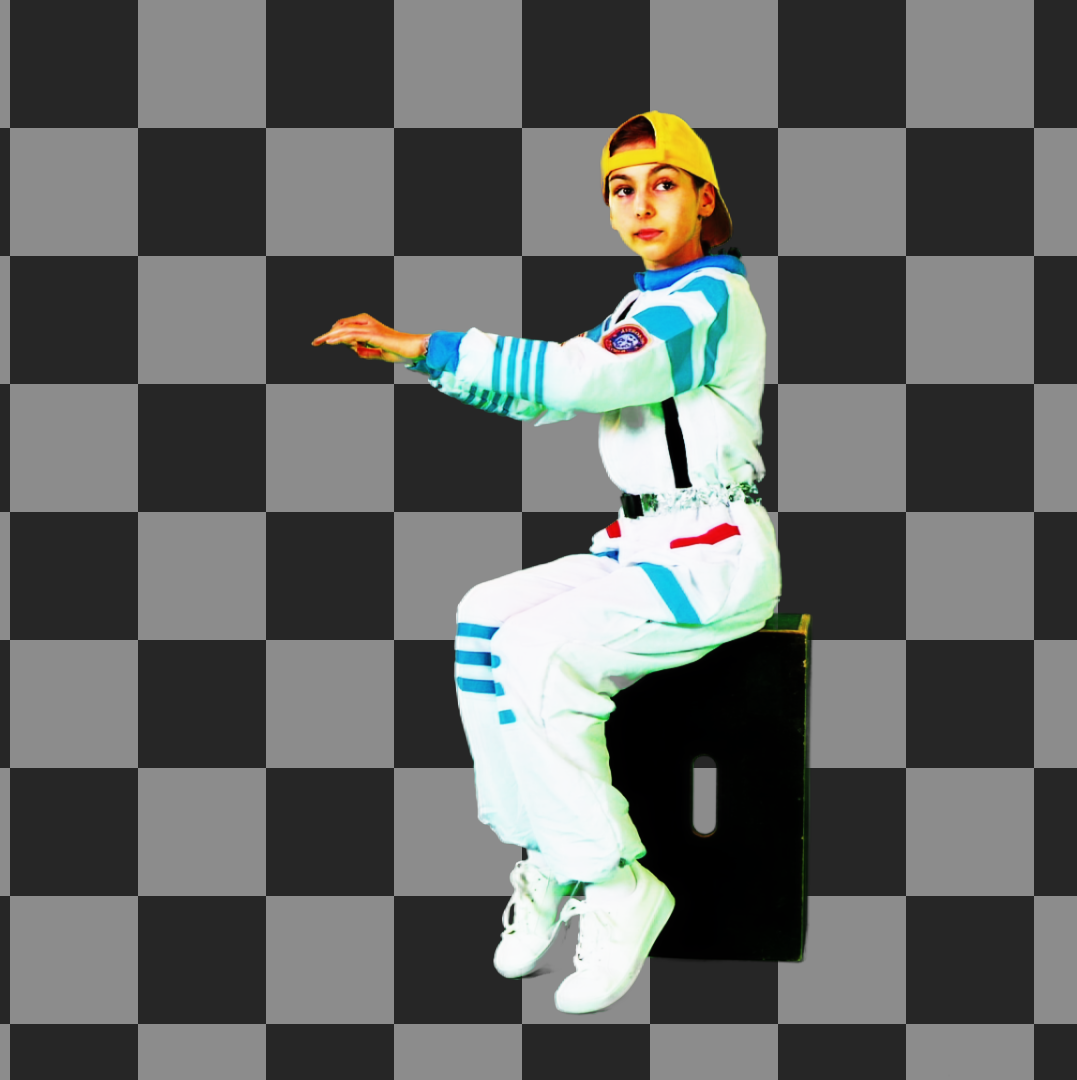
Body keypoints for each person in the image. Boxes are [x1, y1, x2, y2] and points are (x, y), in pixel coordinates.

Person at [311, 111, 778, 1014]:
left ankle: (616, 882)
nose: (642, 204)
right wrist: (425, 364)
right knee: (483, 617)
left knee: (538, 652)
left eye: (664, 185)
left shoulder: (709, 299)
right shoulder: (643, 304)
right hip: (645, 545)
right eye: (622, 190)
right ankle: (551, 855)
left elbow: (579, 378)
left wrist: (428, 343)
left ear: (705, 200)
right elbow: (549, 399)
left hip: (712, 557)